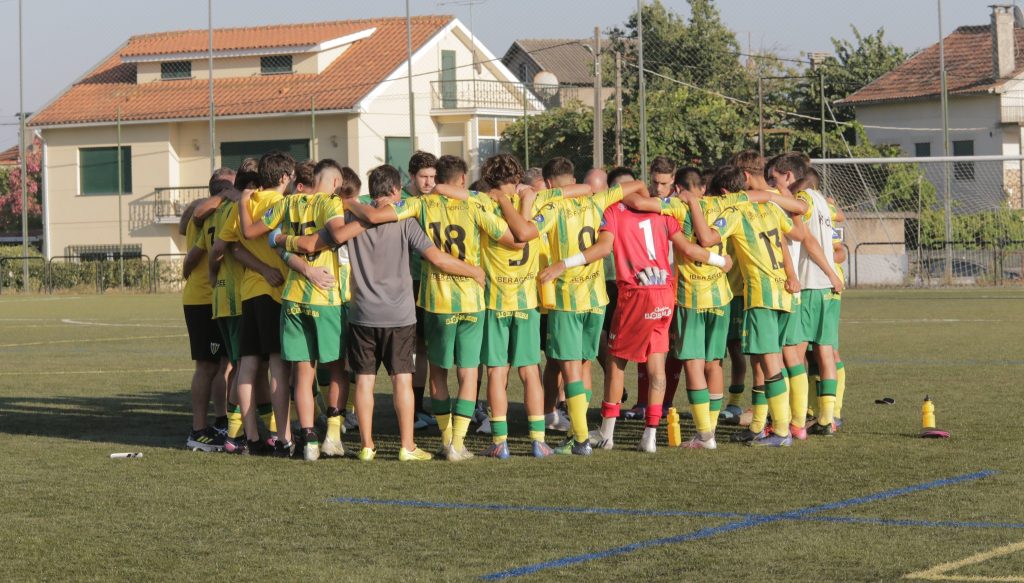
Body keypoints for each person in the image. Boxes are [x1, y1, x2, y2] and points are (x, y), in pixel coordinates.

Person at [281, 164, 486, 461]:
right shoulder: (404, 220)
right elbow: (436, 258)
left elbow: (322, 241)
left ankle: (366, 445)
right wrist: (473, 271)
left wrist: (281, 241)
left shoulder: (350, 217)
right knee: (402, 379)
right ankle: (407, 446)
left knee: (364, 380)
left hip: (362, 312)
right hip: (399, 315)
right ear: (394, 190)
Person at [345, 159, 518, 461]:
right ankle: (457, 444)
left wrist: (351, 203)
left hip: (436, 301)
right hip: (471, 300)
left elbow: (376, 215)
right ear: (463, 179)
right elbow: (514, 240)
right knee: (467, 373)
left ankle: (443, 437)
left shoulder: (421, 205)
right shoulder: (477, 204)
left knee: (437, 372)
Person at [546, 183, 731, 453]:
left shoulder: (613, 211)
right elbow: (689, 250)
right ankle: (650, 436)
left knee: (616, 362)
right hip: (664, 293)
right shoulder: (663, 214)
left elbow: (604, 247)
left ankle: (607, 433)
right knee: (657, 365)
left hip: (635, 293)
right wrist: (719, 261)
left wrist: (563, 264)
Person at [497, 162, 652, 455]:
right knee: (583, 365)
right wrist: (644, 205)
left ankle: (580, 439)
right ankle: (576, 431)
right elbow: (637, 185)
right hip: (596, 300)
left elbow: (524, 233)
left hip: (567, 299)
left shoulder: (552, 208)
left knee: (569, 369)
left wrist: (511, 200)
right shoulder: (598, 199)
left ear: (552, 185)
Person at [241, 159, 346, 461]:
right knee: (337, 367)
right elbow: (331, 236)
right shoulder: (329, 204)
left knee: (301, 371)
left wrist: (281, 240)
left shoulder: (286, 205)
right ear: (335, 184)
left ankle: (308, 440)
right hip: (324, 296)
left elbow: (257, 233)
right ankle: (333, 437)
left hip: (292, 296)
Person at [721, 150, 804, 447]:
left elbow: (708, 238)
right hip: (781, 292)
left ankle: (781, 431)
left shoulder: (738, 208)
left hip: (761, 294)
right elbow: (791, 234)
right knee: (762, 361)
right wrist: (792, 275)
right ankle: (759, 425)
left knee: (769, 365)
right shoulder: (769, 205)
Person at [218, 151, 294, 457]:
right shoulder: (279, 203)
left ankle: (250, 437)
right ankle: (283, 437)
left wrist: (258, 269)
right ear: (286, 177)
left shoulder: (245, 203)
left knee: (247, 366)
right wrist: (267, 268)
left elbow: (233, 247)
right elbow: (251, 237)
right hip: (274, 292)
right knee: (278, 366)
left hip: (249, 292)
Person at [181, 169, 232, 452]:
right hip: (203, 300)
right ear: (223, 191)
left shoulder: (211, 212)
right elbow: (197, 253)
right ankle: (198, 430)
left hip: (217, 298)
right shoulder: (205, 214)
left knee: (224, 364)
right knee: (208, 365)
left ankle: (220, 421)